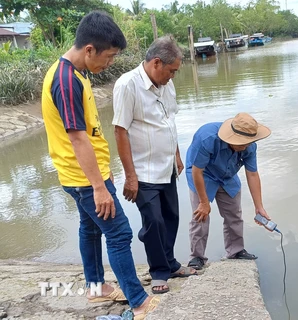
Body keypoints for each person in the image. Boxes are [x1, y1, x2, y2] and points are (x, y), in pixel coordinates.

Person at [41, 11, 159, 319]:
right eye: (108, 57)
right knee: (119, 233)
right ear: (89, 49)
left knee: (90, 229)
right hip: (84, 177)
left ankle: (96, 287)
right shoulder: (66, 80)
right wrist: (98, 187)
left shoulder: (73, 73)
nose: (109, 63)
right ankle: (138, 301)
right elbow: (78, 138)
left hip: (78, 174)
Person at [113, 35, 197, 295]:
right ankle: (158, 271)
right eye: (171, 71)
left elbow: (169, 122)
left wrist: (177, 155)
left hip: (168, 167)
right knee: (154, 222)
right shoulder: (128, 85)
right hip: (143, 171)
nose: (173, 76)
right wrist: (130, 177)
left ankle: (170, 263)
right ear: (157, 63)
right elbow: (120, 131)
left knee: (171, 217)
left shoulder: (166, 85)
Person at [185, 112, 272, 270]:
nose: (244, 146)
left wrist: (259, 206)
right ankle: (197, 256)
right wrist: (204, 202)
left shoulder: (250, 145)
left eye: (248, 142)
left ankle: (236, 250)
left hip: (228, 175)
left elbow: (252, 174)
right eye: (241, 143)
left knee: (234, 214)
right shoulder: (207, 138)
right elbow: (197, 171)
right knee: (200, 215)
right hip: (203, 175)